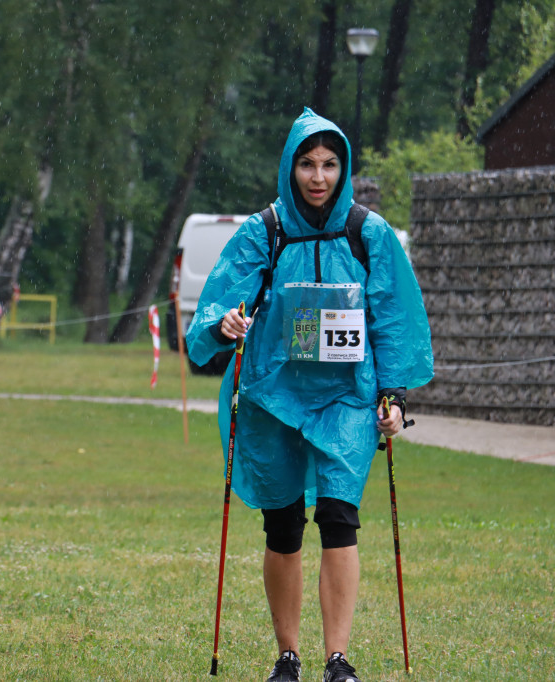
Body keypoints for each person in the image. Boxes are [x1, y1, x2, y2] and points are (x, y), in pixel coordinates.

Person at [185, 108, 433, 682]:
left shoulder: (368, 232)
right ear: (289, 167)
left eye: (329, 164)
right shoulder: (263, 230)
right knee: (284, 525)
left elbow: (391, 318)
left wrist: (394, 394)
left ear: (343, 169)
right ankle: (288, 656)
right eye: (306, 164)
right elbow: (223, 297)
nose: (317, 177)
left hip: (346, 396)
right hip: (274, 396)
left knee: (341, 517)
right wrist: (225, 323)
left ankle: (338, 659)